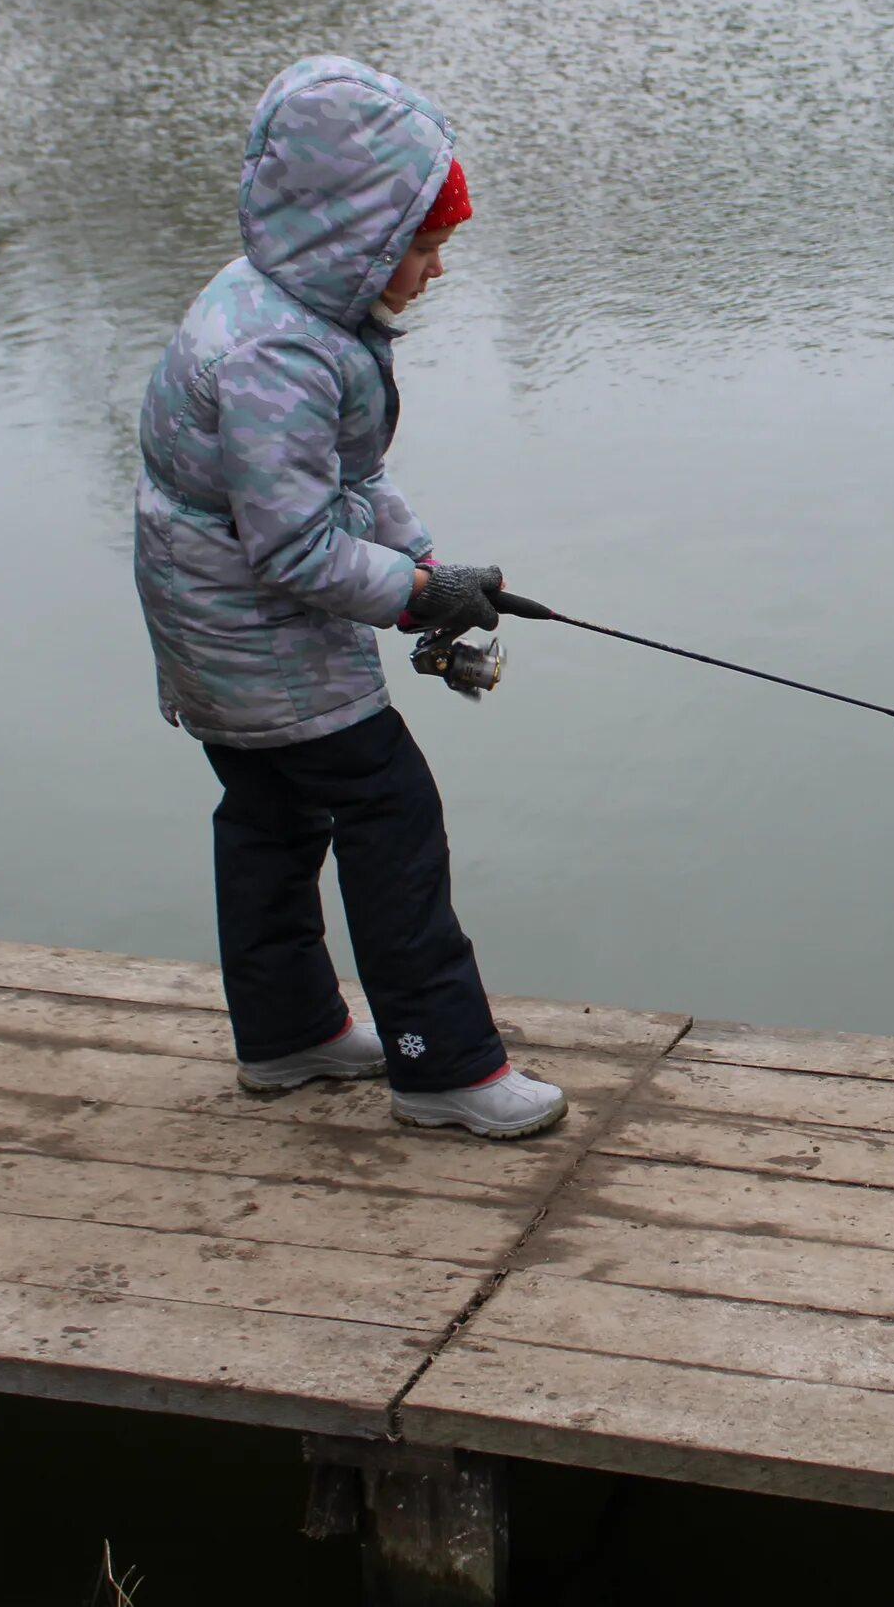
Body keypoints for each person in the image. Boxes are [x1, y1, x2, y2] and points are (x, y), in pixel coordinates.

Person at [130, 55, 565, 1140]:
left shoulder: (281, 304)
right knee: (390, 809)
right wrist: (420, 598)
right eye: (422, 247)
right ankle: (443, 1063)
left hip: (215, 629)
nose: (431, 269)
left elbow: (348, 487)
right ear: (357, 239)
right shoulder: (279, 352)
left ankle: (288, 1034)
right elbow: (296, 550)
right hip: (254, 633)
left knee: (271, 814)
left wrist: (431, 564)